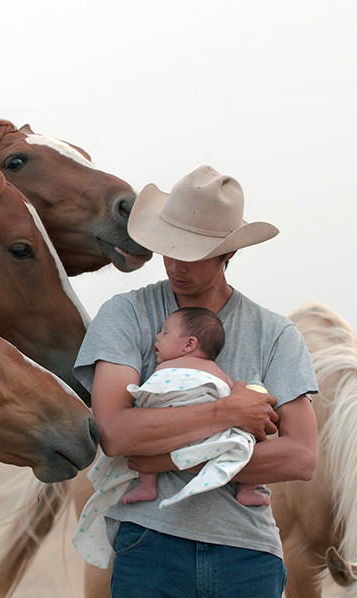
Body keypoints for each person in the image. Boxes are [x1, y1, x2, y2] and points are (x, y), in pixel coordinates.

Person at [73, 165, 318, 597]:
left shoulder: (275, 334)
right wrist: (228, 412)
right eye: (169, 246)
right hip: (149, 548)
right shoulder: (126, 314)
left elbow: (300, 456)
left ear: (229, 252)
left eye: (193, 252)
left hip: (249, 556)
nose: (174, 263)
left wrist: (164, 461)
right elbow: (114, 433)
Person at [120, 306, 269, 508]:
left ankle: (147, 485)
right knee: (244, 443)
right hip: (205, 433)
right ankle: (247, 489)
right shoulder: (219, 372)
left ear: (189, 344)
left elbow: (236, 403)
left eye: (165, 333)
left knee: (147, 438)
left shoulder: (166, 367)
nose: (157, 337)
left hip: (176, 428)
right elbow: (235, 393)